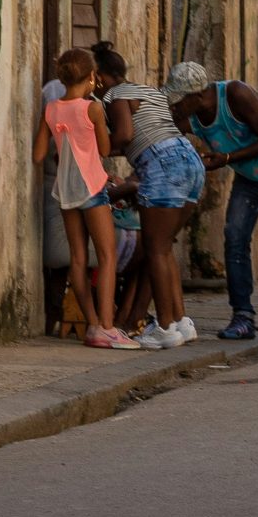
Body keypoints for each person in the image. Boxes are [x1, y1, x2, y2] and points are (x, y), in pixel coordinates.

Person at [170, 63, 258, 341]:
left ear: (196, 95)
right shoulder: (193, 117)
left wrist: (226, 159)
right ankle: (243, 317)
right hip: (250, 180)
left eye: (178, 101)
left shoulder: (235, 94)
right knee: (235, 239)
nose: (175, 107)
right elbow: (166, 130)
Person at [96, 44, 206, 349]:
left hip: (161, 164)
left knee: (156, 249)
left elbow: (125, 136)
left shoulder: (115, 95)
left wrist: (98, 147)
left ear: (102, 77)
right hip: (189, 160)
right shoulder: (146, 91)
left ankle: (166, 328)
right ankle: (181, 322)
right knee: (165, 247)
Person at [33, 47, 135, 348]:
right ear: (92, 76)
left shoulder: (51, 109)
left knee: (77, 258)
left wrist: (60, 142)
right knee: (107, 256)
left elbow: (39, 155)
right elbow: (104, 149)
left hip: (65, 191)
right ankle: (106, 326)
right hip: (91, 186)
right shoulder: (92, 108)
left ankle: (92, 324)